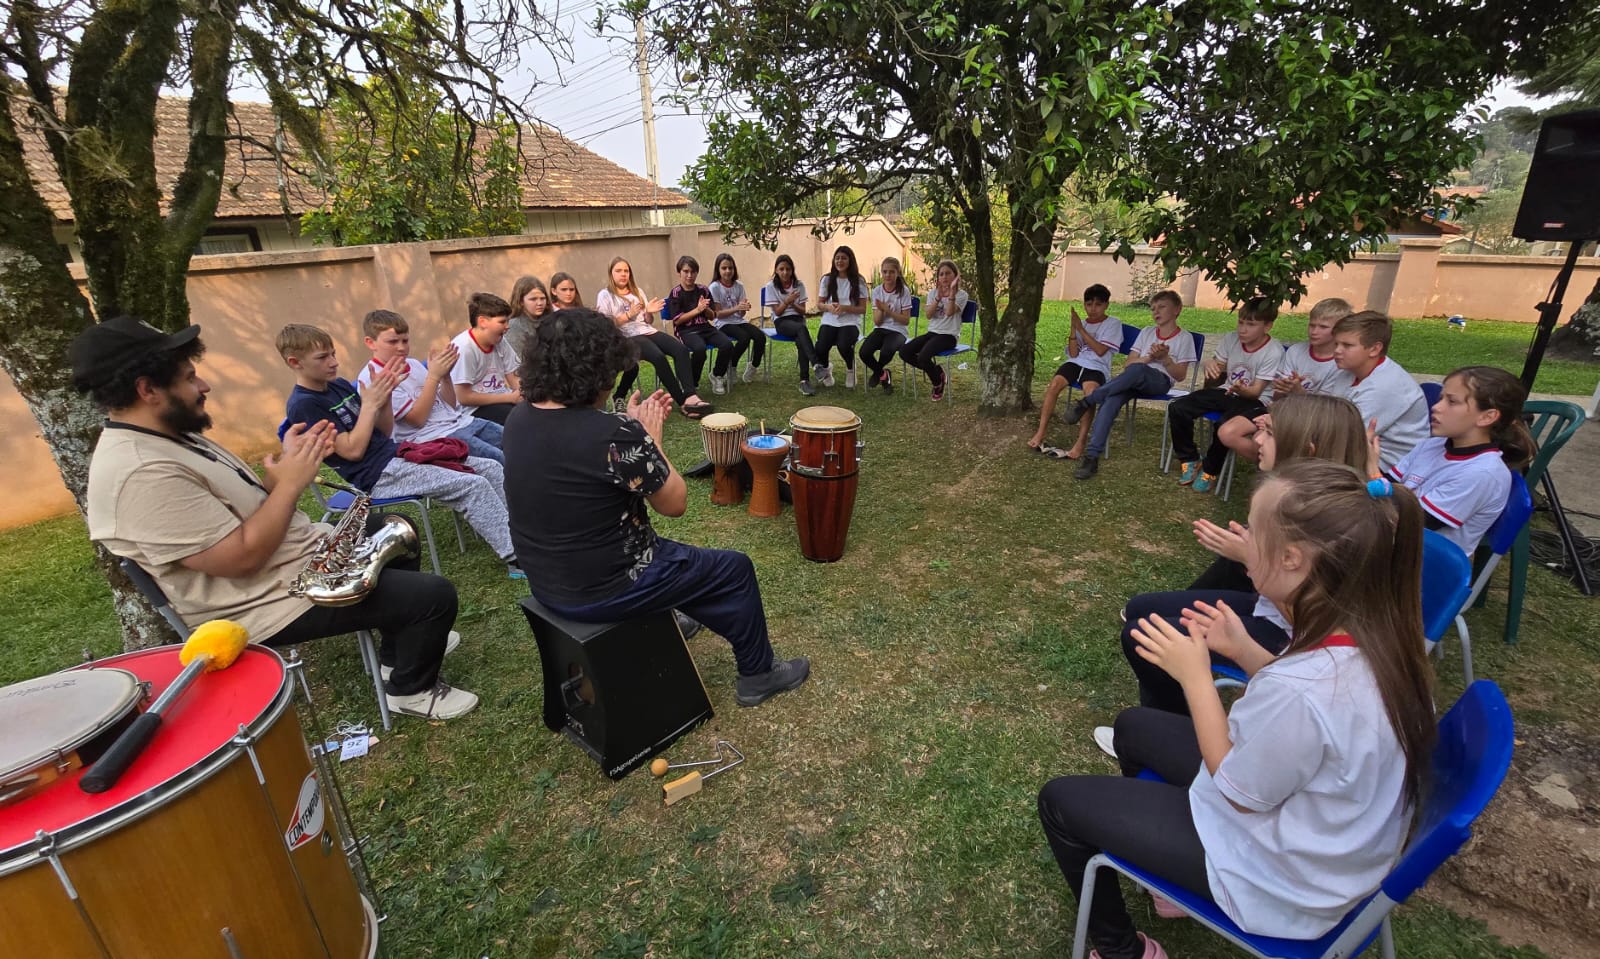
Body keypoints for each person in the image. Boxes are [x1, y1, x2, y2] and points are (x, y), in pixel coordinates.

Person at [1040, 458, 1436, 959]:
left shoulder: (1307, 689)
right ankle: (1163, 880)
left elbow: (1238, 793)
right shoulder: (1380, 636)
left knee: (1059, 801)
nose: (1244, 541)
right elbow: (1308, 726)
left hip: (1279, 879)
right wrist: (1245, 651)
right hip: (1318, 836)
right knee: (1132, 726)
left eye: (1253, 531)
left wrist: (1197, 677)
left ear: (1292, 558)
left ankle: (1125, 952)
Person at [74, 315, 479, 720]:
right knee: (432, 597)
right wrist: (290, 485)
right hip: (263, 602)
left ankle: (398, 654)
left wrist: (285, 467)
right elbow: (239, 560)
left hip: (289, 563)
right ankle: (411, 691)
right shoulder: (142, 472)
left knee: (393, 530)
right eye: (190, 378)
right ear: (148, 390)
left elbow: (248, 506)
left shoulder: (173, 436)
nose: (204, 386)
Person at [502, 308, 811, 707]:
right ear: (597, 369)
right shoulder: (614, 437)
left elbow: (576, 463)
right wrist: (649, 438)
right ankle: (759, 674)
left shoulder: (518, 419)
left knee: (680, 564)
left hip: (547, 581)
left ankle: (673, 615)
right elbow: (675, 502)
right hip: (607, 587)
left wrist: (630, 434)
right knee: (733, 570)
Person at [1105, 393, 1368, 735]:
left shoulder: (1327, 519)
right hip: (1270, 610)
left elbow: (1317, 611)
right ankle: (1163, 724)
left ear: (1307, 448)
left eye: (1268, 433)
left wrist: (1247, 556)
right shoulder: (1293, 496)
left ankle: (1173, 732)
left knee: (1143, 633)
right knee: (1142, 611)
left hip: (1290, 634)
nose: (1256, 439)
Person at [276, 323, 523, 580]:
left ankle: (522, 536)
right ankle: (516, 559)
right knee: (472, 485)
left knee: (490, 467)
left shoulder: (337, 385)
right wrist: (370, 405)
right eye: (322, 357)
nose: (333, 362)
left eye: (333, 353)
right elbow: (353, 451)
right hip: (376, 475)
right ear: (295, 362)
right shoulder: (305, 405)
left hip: (399, 454)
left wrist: (383, 401)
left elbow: (383, 432)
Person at [1387, 365, 1531, 556]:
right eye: (1441, 398)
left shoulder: (1482, 473)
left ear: (1487, 417)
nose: (1436, 407)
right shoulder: (1433, 445)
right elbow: (1387, 486)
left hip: (1422, 564)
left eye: (1452, 401)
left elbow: (1413, 524)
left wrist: (1371, 471)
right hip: (1394, 543)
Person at [1066, 290, 1199, 479]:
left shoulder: (1184, 338)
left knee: (1136, 371)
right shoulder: (1147, 332)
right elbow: (1129, 363)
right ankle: (1092, 457)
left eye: (1162, 307)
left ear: (1177, 309)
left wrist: (1165, 359)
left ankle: (1088, 401)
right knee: (1112, 398)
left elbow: (1180, 375)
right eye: (1153, 308)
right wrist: (1149, 357)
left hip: (1159, 381)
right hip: (1132, 378)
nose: (1156, 312)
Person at [1214, 296, 1353, 466]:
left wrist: (1298, 392)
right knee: (1229, 432)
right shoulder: (1295, 351)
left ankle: (1279, 468)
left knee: (1262, 438)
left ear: (1340, 330)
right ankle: (1274, 466)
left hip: (1312, 421)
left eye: (1323, 327)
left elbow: (1326, 414)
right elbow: (1277, 398)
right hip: (1280, 410)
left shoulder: (1340, 363)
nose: (1314, 331)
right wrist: (1281, 391)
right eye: (1311, 325)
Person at [1168, 296, 1287, 492]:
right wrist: (1210, 364)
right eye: (1241, 322)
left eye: (1251, 324)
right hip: (1228, 391)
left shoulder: (1273, 351)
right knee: (1178, 407)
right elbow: (1219, 365)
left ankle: (1210, 470)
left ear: (1267, 327)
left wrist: (1240, 389)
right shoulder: (1231, 339)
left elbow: (1256, 391)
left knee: (1223, 424)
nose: (1242, 329)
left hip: (1256, 401)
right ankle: (1189, 458)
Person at [359, 309, 504, 464]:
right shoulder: (373, 378)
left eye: (405, 341)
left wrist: (445, 376)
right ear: (370, 342)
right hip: (433, 437)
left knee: (520, 441)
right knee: (502, 460)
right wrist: (433, 376)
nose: (401, 347)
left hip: (461, 422)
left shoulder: (413, 364)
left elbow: (449, 406)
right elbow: (417, 420)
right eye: (393, 342)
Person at [595, 256, 712, 418]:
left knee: (681, 349)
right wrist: (629, 314)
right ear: (611, 273)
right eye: (618, 271)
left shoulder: (637, 292)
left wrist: (649, 312)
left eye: (626, 271)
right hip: (625, 337)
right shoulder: (605, 295)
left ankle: (691, 395)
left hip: (646, 330)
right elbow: (606, 324)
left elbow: (647, 321)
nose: (623, 274)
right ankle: (683, 402)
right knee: (658, 357)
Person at [1028, 284, 1123, 458]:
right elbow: (1073, 353)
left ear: (1106, 305)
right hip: (1076, 362)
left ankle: (1080, 442)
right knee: (1054, 384)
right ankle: (1041, 432)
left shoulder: (1113, 324)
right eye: (1089, 304)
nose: (1093, 309)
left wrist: (1081, 329)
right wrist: (1074, 329)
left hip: (1097, 366)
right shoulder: (1083, 323)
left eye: (1098, 305)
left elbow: (1101, 350)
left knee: (1090, 392)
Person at [1331, 310, 1430, 473]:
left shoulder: (1385, 387)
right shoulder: (1349, 371)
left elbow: (1343, 437)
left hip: (1390, 470)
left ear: (1374, 349)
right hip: (1357, 455)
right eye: (1336, 344)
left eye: (1347, 345)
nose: (1337, 350)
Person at [666, 255, 737, 395]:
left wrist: (706, 310)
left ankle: (717, 375)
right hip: (686, 331)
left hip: (705, 328)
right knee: (700, 349)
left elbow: (712, 316)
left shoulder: (703, 290)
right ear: (679, 273)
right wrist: (697, 310)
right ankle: (692, 383)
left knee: (727, 345)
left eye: (693, 272)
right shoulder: (676, 293)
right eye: (686, 271)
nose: (689, 275)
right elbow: (677, 320)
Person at [899, 259, 969, 401]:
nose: (944, 277)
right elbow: (929, 315)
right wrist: (937, 297)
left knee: (924, 357)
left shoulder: (962, 295)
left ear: (955, 276)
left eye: (948, 273)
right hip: (932, 333)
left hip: (949, 336)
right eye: (941, 274)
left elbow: (949, 312)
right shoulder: (932, 293)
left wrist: (951, 294)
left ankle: (937, 384)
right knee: (904, 352)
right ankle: (937, 372)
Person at [449, 292, 522, 426]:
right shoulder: (465, 348)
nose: (507, 326)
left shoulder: (500, 341)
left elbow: (514, 378)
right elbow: (463, 397)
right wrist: (509, 397)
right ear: (482, 321)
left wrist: (527, 395)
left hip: (503, 398)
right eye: (502, 322)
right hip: (472, 410)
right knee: (518, 421)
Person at [763, 254, 818, 396]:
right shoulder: (771, 286)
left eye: (788, 269)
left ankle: (804, 381)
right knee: (801, 329)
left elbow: (803, 311)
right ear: (776, 270)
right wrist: (787, 301)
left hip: (797, 318)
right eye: (781, 269)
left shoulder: (799, 285)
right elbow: (778, 312)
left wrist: (793, 303)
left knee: (801, 339)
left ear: (792, 270)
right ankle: (816, 364)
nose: (785, 272)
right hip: (781, 322)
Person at [707, 252, 765, 387]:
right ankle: (731, 366)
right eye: (724, 268)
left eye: (730, 268)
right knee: (744, 338)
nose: (728, 271)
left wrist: (744, 308)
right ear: (718, 270)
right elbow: (717, 314)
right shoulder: (714, 287)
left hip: (738, 321)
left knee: (760, 337)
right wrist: (736, 308)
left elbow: (741, 315)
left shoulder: (739, 285)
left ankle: (753, 366)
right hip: (722, 323)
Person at [814, 245, 868, 388]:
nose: (840, 261)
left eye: (844, 258)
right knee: (821, 345)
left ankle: (851, 369)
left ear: (850, 260)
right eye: (837, 258)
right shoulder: (827, 279)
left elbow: (862, 309)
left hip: (850, 321)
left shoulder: (859, 281)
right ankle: (826, 369)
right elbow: (819, 304)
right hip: (830, 319)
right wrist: (828, 307)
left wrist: (845, 308)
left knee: (843, 344)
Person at [860, 256, 914, 394]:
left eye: (891, 272)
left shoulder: (904, 291)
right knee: (864, 352)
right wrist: (882, 310)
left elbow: (905, 320)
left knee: (886, 351)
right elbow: (877, 322)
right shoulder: (877, 291)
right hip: (881, 328)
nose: (887, 275)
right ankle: (883, 374)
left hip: (899, 331)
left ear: (897, 273)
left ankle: (878, 374)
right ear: (881, 273)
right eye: (885, 272)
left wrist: (888, 310)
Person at [507, 275, 551, 359]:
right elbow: (516, 362)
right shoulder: (513, 326)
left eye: (542, 298)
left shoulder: (552, 322)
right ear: (521, 302)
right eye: (533, 299)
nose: (539, 303)